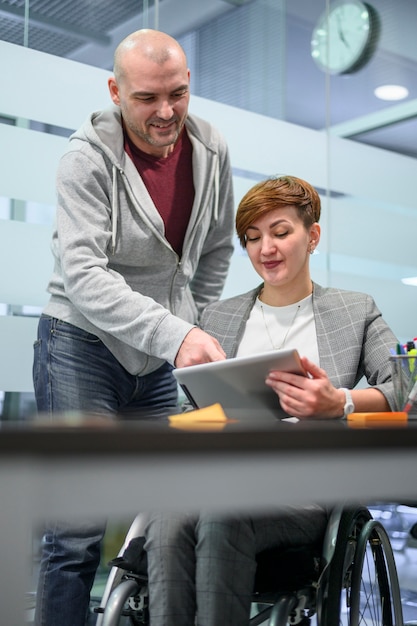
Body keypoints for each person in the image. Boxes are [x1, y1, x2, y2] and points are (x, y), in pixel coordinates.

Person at [32, 29, 235, 626]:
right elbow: (85, 277)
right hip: (79, 346)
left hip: (156, 360)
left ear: (190, 84)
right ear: (116, 91)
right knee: (75, 531)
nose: (166, 112)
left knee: (161, 519)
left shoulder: (212, 149)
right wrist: (178, 334)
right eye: (148, 98)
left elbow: (217, 249)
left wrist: (192, 324)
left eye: (177, 93)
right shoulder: (85, 159)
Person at [143, 175, 398, 625]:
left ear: (312, 235)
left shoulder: (355, 310)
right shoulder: (218, 316)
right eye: (253, 238)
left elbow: (401, 390)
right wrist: (212, 420)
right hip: (222, 472)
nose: (266, 249)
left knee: (224, 513)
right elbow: (187, 415)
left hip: (305, 489)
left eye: (281, 232)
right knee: (166, 521)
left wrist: (339, 402)